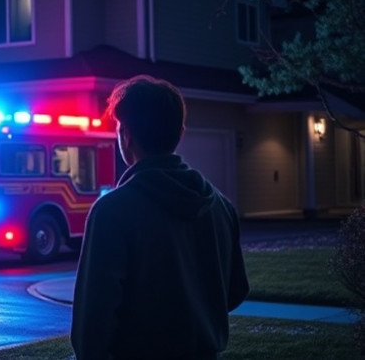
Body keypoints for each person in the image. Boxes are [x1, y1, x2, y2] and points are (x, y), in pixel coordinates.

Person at [71, 75, 249, 360]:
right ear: (180, 132)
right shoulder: (221, 207)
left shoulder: (112, 212)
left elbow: (91, 325)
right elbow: (236, 289)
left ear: (126, 135)